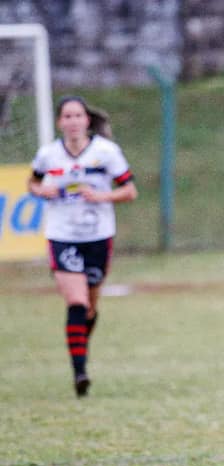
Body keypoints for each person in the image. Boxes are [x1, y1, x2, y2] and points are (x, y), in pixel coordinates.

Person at [27, 95, 138, 397]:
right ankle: (80, 372)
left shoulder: (106, 152)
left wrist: (102, 197)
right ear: (60, 122)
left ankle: (80, 351)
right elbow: (33, 184)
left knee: (89, 307)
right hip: (62, 235)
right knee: (76, 303)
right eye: (67, 116)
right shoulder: (49, 155)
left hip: (99, 236)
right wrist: (42, 191)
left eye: (78, 116)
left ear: (87, 120)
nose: (73, 121)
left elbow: (129, 190)